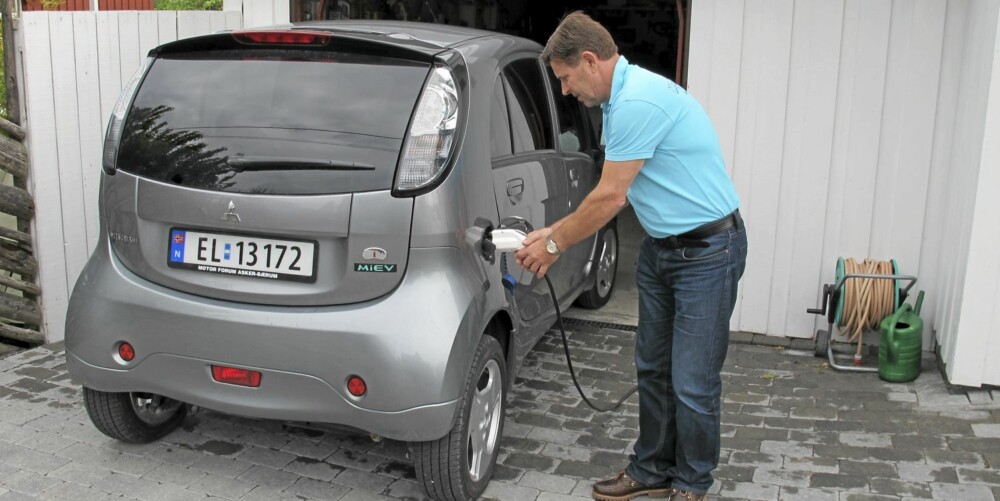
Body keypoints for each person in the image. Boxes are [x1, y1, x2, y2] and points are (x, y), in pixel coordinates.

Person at [514, 11, 748, 501]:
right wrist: (553, 234)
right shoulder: (622, 100)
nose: (564, 91)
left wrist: (554, 243)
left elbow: (610, 197)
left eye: (565, 78)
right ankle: (651, 470)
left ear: (590, 61)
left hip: (708, 252)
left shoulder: (638, 101)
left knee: (692, 380)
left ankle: (692, 484)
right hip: (665, 250)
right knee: (653, 368)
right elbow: (611, 192)